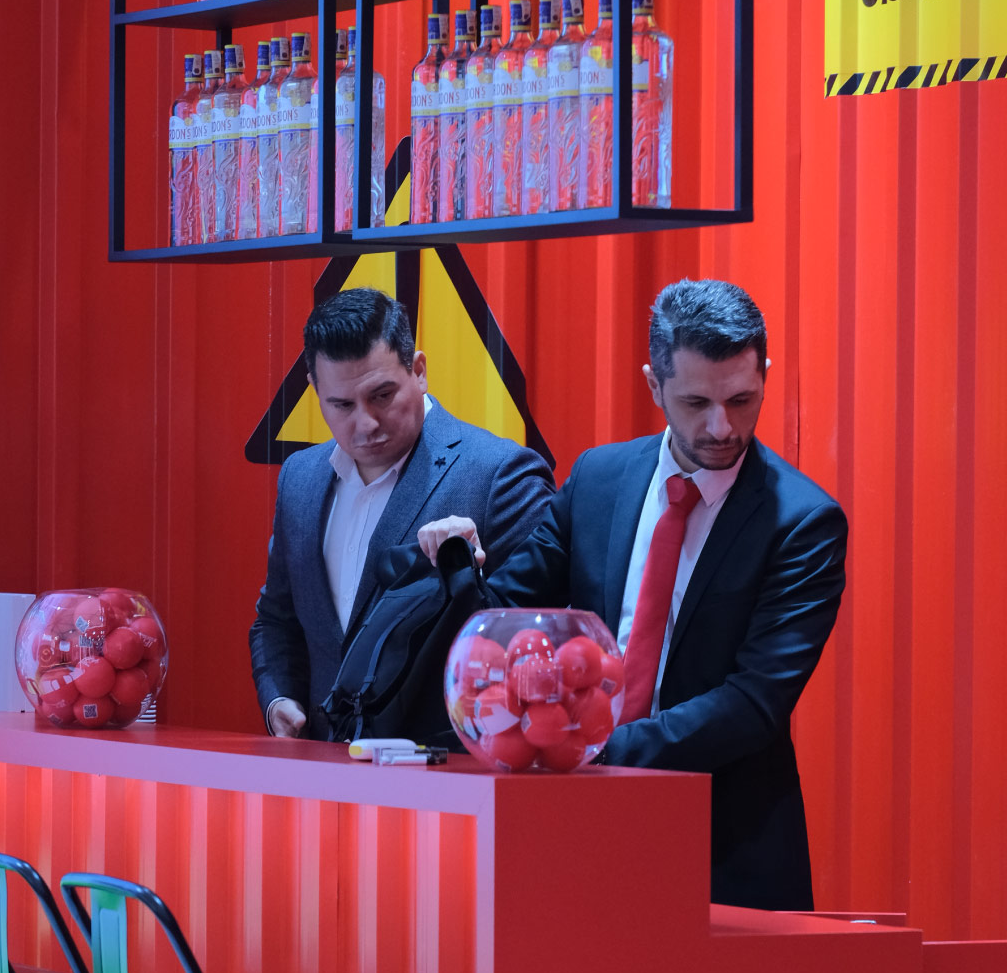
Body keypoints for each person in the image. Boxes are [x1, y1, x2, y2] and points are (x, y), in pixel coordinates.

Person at [418, 278, 848, 910]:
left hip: (724, 842)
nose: (722, 426)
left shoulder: (804, 521)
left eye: (742, 399)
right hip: (574, 832)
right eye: (696, 401)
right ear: (654, 385)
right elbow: (501, 623)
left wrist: (587, 747)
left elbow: (755, 702)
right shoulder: (598, 478)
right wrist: (459, 565)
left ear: (764, 376)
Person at [250, 287, 555, 741]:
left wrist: (469, 574)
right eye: (342, 405)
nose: (366, 423)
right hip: (319, 767)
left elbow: (541, 642)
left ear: (419, 370)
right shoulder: (300, 478)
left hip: (447, 769)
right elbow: (277, 619)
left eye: (382, 395)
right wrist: (279, 700)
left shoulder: (499, 475)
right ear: (315, 390)